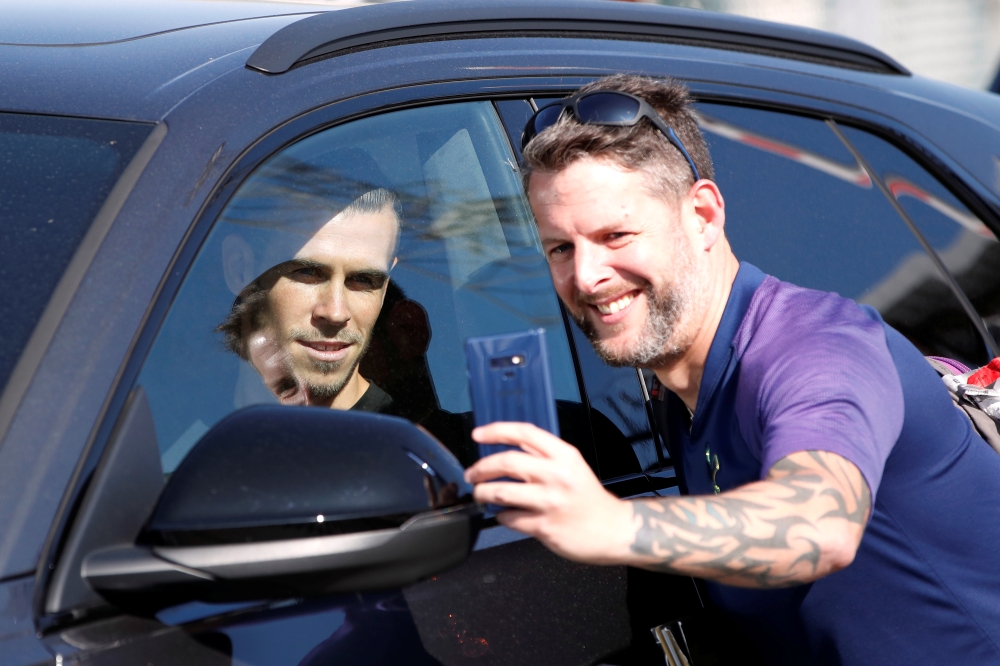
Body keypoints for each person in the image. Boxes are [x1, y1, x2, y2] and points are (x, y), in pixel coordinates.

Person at [464, 74, 1000, 664]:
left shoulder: (818, 348)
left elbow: (819, 523)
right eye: (560, 248)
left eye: (615, 235)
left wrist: (611, 523)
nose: (586, 276)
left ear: (703, 214)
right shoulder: (681, 396)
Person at [217, 187, 400, 414]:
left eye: (363, 279)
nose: (335, 312)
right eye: (308, 272)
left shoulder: (408, 447)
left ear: (385, 289)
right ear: (239, 268)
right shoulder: (171, 424)